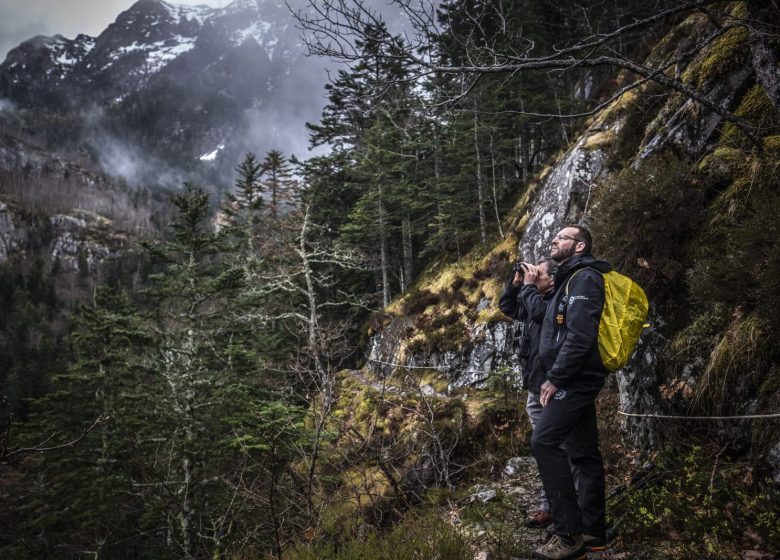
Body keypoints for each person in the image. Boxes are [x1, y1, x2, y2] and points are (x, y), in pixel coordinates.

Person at [530, 224, 611, 560]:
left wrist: (556, 379)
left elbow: (580, 336)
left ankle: (570, 537)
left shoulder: (585, 279)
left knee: (543, 441)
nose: (554, 239)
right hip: (575, 379)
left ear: (579, 247)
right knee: (583, 452)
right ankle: (594, 532)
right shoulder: (568, 278)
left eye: (562, 237)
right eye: (555, 236)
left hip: (575, 380)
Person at [498, 258, 556, 528]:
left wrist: (529, 288)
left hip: (552, 388)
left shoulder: (551, 302)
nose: (533, 275)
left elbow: (538, 314)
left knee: (553, 448)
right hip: (536, 388)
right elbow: (507, 306)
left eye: (539, 273)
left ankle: (555, 508)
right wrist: (517, 283)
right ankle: (552, 506)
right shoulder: (535, 299)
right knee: (544, 449)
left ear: (552, 279)